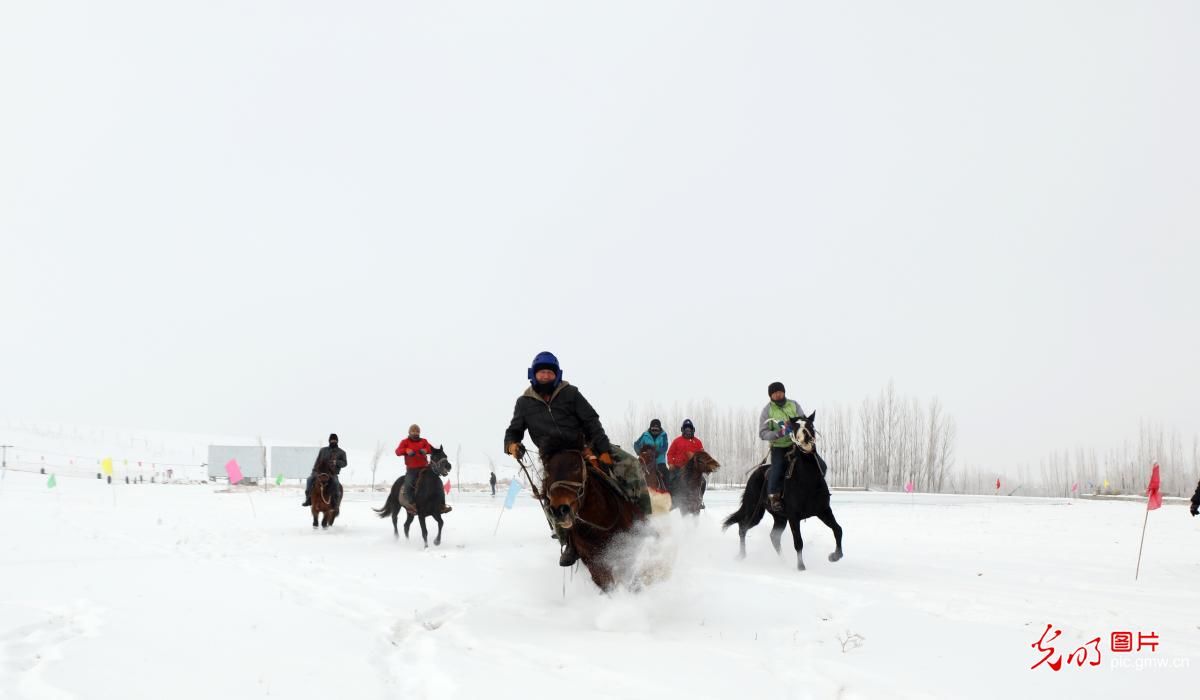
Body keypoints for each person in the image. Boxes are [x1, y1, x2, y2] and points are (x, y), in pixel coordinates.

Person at [503, 351, 650, 567]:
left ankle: (646, 522)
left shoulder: (570, 393)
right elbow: (513, 431)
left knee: (632, 465)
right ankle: (569, 542)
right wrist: (511, 445)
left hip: (584, 447)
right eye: (541, 373)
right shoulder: (524, 403)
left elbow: (591, 421)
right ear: (534, 375)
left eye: (549, 373)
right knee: (552, 498)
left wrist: (603, 450)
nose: (545, 376)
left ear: (556, 375)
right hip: (553, 458)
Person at [759, 382, 804, 513]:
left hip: (796, 444)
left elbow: (802, 420)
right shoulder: (767, 410)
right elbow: (762, 433)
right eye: (774, 393)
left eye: (780, 392)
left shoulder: (794, 405)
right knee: (777, 468)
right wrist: (778, 433)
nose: (778, 394)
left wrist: (794, 425)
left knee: (814, 462)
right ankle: (774, 497)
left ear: (784, 392)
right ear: (770, 395)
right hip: (779, 446)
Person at [396, 424, 448, 514]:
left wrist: (425, 450)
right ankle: (412, 504)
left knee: (438, 482)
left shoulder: (424, 441)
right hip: (412, 469)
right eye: (413, 431)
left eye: (417, 431)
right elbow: (397, 451)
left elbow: (430, 449)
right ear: (409, 432)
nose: (415, 433)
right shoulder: (405, 442)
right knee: (408, 485)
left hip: (425, 468)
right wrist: (406, 450)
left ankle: (442, 505)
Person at [301, 433, 347, 507]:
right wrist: (314, 471)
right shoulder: (323, 450)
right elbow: (317, 461)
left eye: (334, 440)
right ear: (329, 441)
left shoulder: (341, 452)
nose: (333, 441)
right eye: (332, 440)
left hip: (332, 474)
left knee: (336, 483)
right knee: (309, 479)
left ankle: (335, 502)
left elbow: (345, 463)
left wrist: (337, 462)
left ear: (337, 441)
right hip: (320, 473)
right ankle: (308, 499)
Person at [666, 419, 705, 486]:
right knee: (669, 480)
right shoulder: (676, 441)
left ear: (693, 430)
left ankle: (699, 495)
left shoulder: (698, 442)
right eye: (686, 430)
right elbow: (670, 453)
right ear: (683, 430)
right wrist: (671, 464)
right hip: (678, 468)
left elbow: (702, 455)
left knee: (703, 482)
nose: (688, 432)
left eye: (690, 430)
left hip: (692, 469)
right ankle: (671, 495)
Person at [634, 419, 669, 487]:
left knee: (667, 476)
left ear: (660, 429)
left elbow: (665, 446)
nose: (655, 432)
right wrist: (639, 452)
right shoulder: (645, 435)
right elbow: (636, 444)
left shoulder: (663, 435)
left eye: (656, 430)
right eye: (653, 429)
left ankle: (668, 493)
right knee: (635, 472)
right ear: (650, 428)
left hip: (659, 461)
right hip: (645, 461)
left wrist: (658, 452)